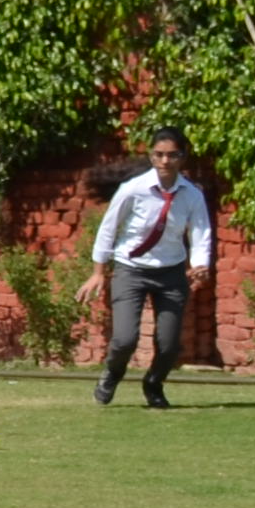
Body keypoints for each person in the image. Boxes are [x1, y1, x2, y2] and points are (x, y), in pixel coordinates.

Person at [90, 126, 215, 408]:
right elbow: (108, 228)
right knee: (125, 339)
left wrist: (200, 265)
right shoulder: (133, 189)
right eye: (159, 154)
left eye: (172, 155)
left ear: (182, 157)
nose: (165, 161)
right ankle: (112, 374)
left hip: (171, 272)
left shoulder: (192, 195)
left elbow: (201, 233)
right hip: (131, 269)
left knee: (169, 345)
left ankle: (154, 384)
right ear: (151, 156)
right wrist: (98, 271)